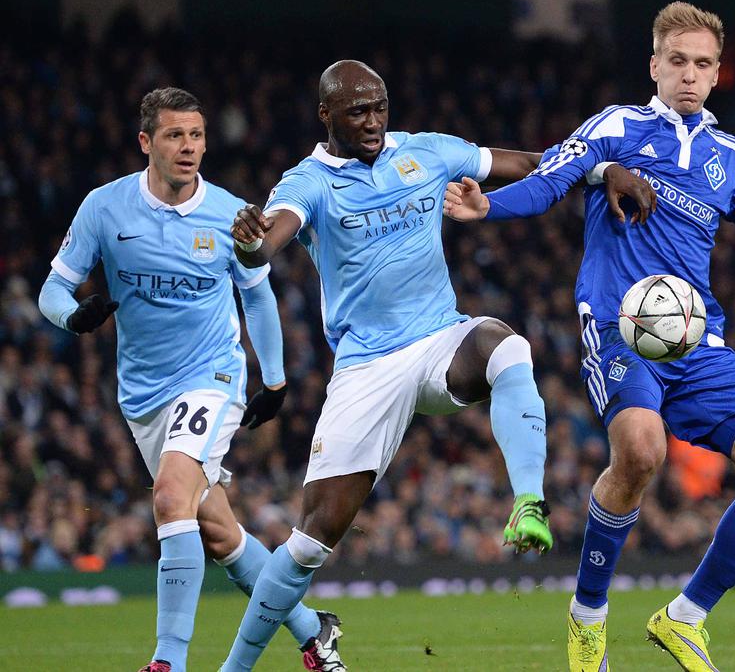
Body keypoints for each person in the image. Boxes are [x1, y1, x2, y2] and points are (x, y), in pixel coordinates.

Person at [444, 1, 735, 672]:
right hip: (617, 325)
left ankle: (685, 617)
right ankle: (587, 616)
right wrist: (490, 205)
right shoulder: (617, 125)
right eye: (678, 62)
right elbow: (550, 182)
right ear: (654, 65)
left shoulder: (729, 158)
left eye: (703, 64)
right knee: (639, 450)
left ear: (719, 73)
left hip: (695, 338)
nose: (689, 75)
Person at [216, 60, 651, 671]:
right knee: (313, 538)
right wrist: (247, 240)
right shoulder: (308, 182)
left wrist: (605, 168)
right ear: (326, 116)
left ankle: (529, 502)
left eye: (378, 107)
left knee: (507, 347)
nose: (371, 121)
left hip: (439, 340)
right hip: (367, 366)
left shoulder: (428, 152)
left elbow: (532, 164)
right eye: (356, 111)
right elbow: (268, 238)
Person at [37, 88, 345, 672]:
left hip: (212, 376)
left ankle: (167, 661)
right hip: (141, 394)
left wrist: (274, 382)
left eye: (197, 135)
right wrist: (72, 316)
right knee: (218, 532)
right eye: (175, 136)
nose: (189, 147)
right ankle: (313, 630)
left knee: (171, 496)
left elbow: (258, 298)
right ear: (146, 143)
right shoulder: (104, 208)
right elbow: (53, 288)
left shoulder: (231, 214)